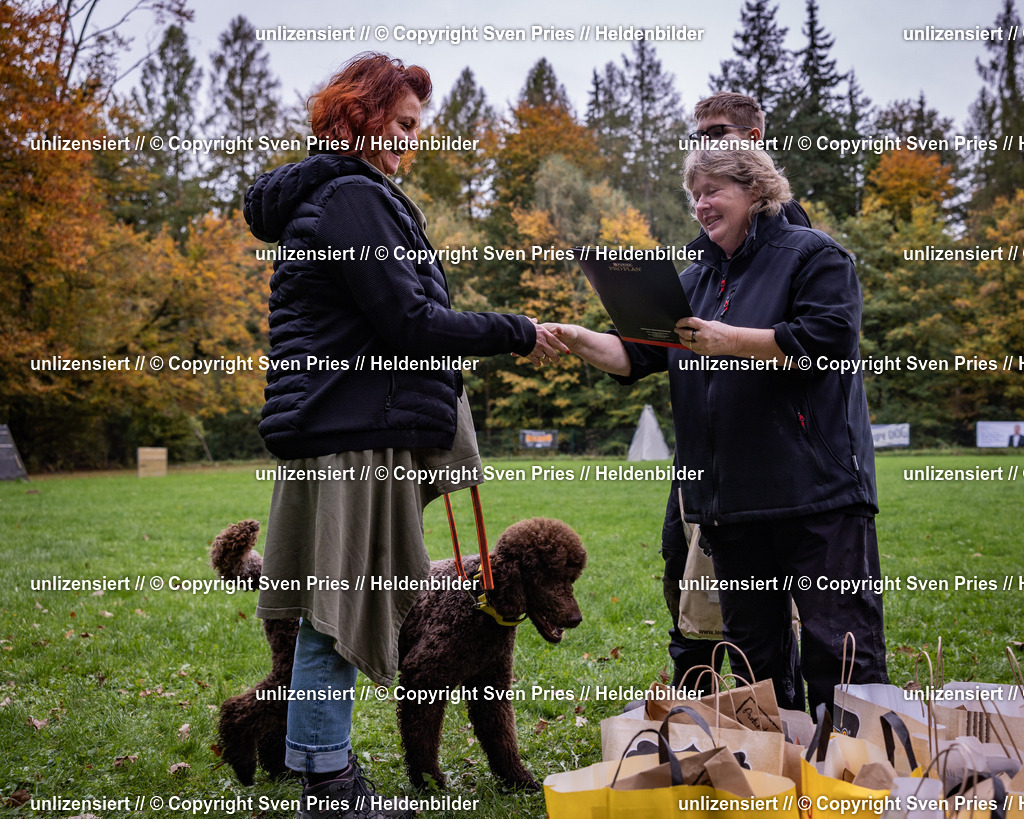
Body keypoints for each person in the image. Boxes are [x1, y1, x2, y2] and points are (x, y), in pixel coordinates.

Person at [244, 53, 567, 819]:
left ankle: (321, 768)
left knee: (333, 607)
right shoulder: (352, 197)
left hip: (343, 429)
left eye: (417, 129)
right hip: (350, 436)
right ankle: (330, 786)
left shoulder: (339, 194)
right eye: (401, 124)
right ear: (355, 119)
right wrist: (518, 330)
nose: (409, 143)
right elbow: (412, 322)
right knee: (338, 613)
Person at [548, 148, 888, 716]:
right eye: (695, 195)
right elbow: (635, 354)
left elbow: (827, 339)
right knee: (754, 659)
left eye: (713, 190)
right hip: (729, 505)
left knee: (840, 646)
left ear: (756, 189)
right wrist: (578, 337)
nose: (701, 205)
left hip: (817, 496)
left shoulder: (814, 255)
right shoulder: (693, 278)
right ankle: (779, 760)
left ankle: (859, 761)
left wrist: (728, 340)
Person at [663, 92, 811, 694]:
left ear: (753, 139)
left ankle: (775, 708)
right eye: (698, 134)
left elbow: (808, 344)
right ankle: (694, 698)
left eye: (718, 132)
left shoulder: (791, 235)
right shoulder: (707, 246)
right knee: (680, 563)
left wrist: (727, 339)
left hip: (762, 456)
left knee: (755, 607)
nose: (706, 142)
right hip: (702, 446)